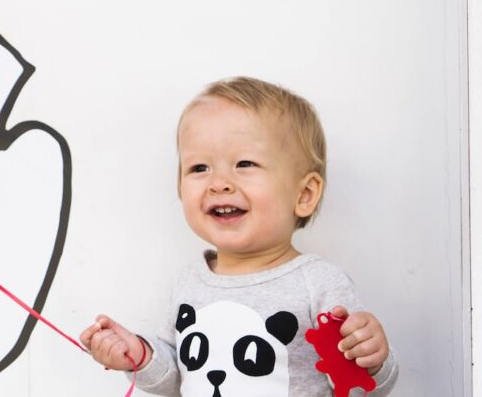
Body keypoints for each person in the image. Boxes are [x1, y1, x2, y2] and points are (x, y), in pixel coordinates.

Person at [80, 77, 398, 396]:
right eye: (199, 168)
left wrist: (370, 359)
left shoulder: (319, 283)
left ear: (304, 194)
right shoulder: (189, 283)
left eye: (244, 164)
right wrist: (138, 355)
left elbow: (359, 387)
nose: (219, 183)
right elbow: (176, 378)